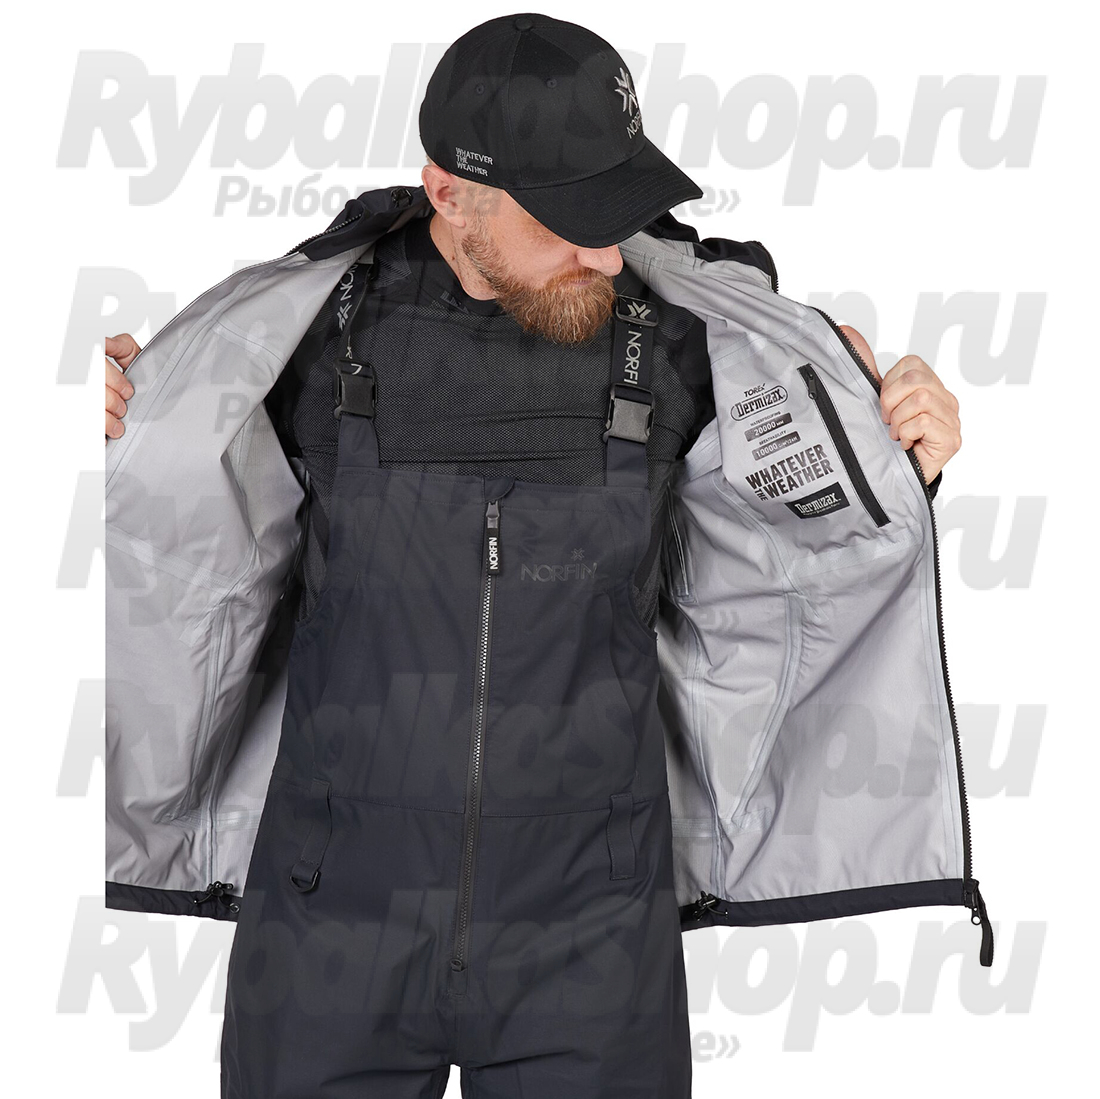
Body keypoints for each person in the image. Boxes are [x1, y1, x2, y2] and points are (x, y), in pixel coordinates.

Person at [103, 14, 962, 1098]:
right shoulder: (304, 337)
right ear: (449, 194)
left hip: (596, 947)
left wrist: (898, 459)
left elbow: (796, 563)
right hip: (325, 932)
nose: (605, 252)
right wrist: (98, 443)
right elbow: (175, 562)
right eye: (569, 220)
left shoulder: (690, 338)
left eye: (616, 209)